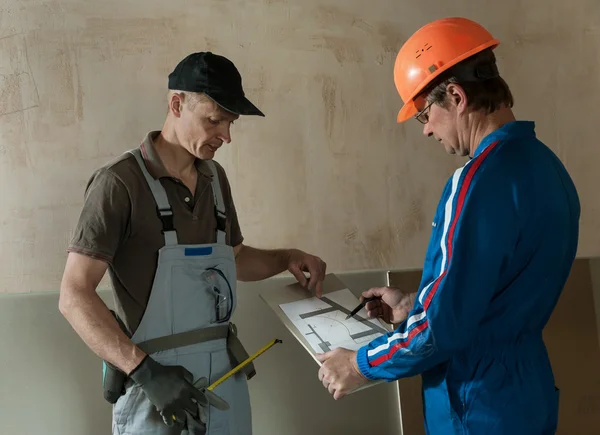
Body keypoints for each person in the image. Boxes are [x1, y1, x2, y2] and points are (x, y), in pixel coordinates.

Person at [315, 17, 580, 434]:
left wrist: (359, 365)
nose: (426, 131)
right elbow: (494, 295)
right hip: (527, 394)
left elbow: (441, 331)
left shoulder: (476, 182)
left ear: (455, 95)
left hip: (476, 403)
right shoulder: (548, 169)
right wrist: (411, 309)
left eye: (425, 114)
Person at [58, 51, 326, 435]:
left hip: (224, 383)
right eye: (215, 120)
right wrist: (144, 371)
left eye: (230, 123)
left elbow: (233, 260)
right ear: (176, 104)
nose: (226, 136)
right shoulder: (119, 184)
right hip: (157, 390)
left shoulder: (215, 180)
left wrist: (286, 258)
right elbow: (73, 295)